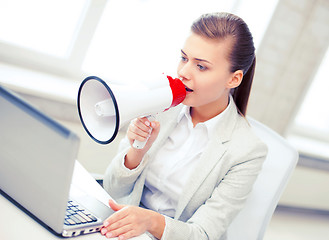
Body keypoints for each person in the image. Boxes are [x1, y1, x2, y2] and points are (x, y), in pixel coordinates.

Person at [101, 12, 268, 240]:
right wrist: (136, 152)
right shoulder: (162, 104)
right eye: (183, 58)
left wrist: (151, 221)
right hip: (124, 229)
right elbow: (112, 188)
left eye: (201, 67)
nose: (183, 73)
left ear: (234, 79)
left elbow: (204, 234)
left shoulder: (247, 151)